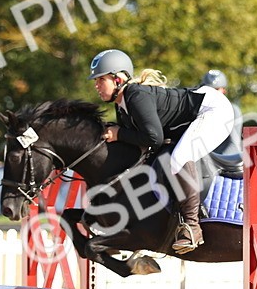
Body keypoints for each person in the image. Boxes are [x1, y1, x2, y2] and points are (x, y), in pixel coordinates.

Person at [90, 49, 235, 254]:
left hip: (214, 111)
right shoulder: (122, 106)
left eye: (100, 79)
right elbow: (140, 145)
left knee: (179, 157)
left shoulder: (135, 95)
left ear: (117, 79)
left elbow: (154, 138)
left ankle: (192, 227)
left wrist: (119, 133)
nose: (96, 85)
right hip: (197, 113)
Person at [199, 69, 243, 157]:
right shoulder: (198, 109)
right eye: (209, 89)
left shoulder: (232, 110)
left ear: (223, 90)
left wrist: (213, 161)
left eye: (216, 89)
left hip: (225, 159)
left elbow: (233, 145)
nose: (212, 92)